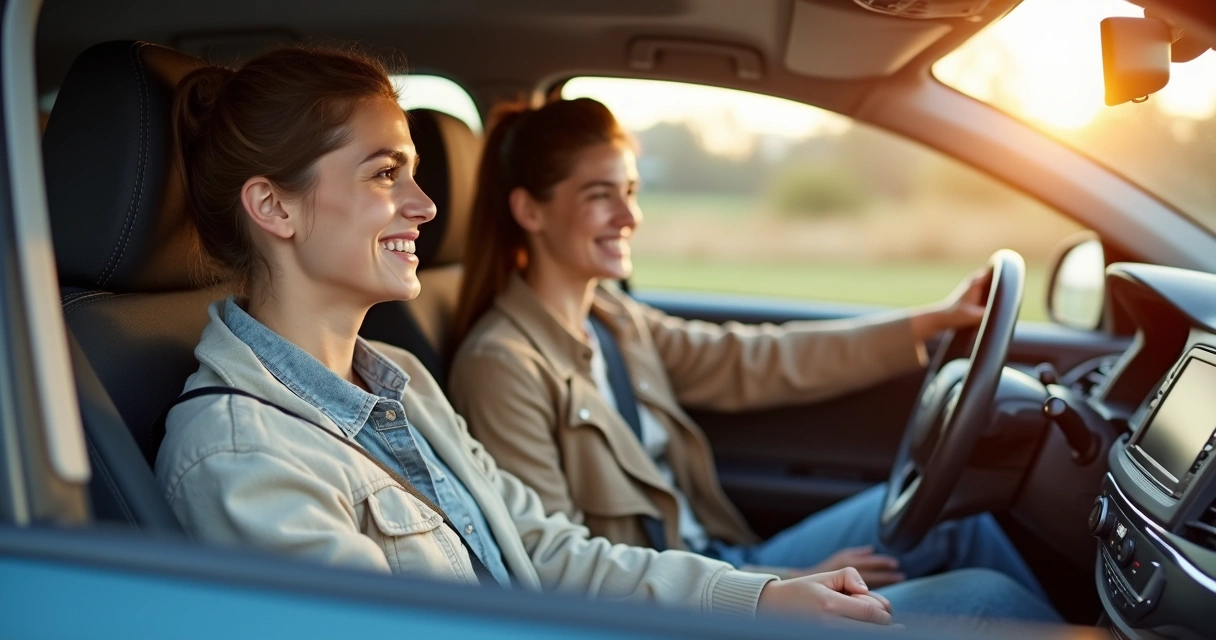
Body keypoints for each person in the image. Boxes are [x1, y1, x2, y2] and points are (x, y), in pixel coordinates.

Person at [154, 46, 1054, 630]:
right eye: (386, 174)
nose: (426, 207)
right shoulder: (238, 452)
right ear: (274, 206)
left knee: (982, 582)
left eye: (417, 174)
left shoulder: (397, 380)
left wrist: (761, 597)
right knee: (982, 599)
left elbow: (547, 549)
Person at [448, 98, 1048, 603]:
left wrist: (928, 322)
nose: (630, 216)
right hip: (681, 604)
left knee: (957, 518)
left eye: (630, 190)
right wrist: (775, 585)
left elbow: (754, 358)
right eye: (600, 195)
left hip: (724, 562)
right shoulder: (501, 367)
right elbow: (558, 567)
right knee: (984, 600)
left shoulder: (614, 320)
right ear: (529, 210)